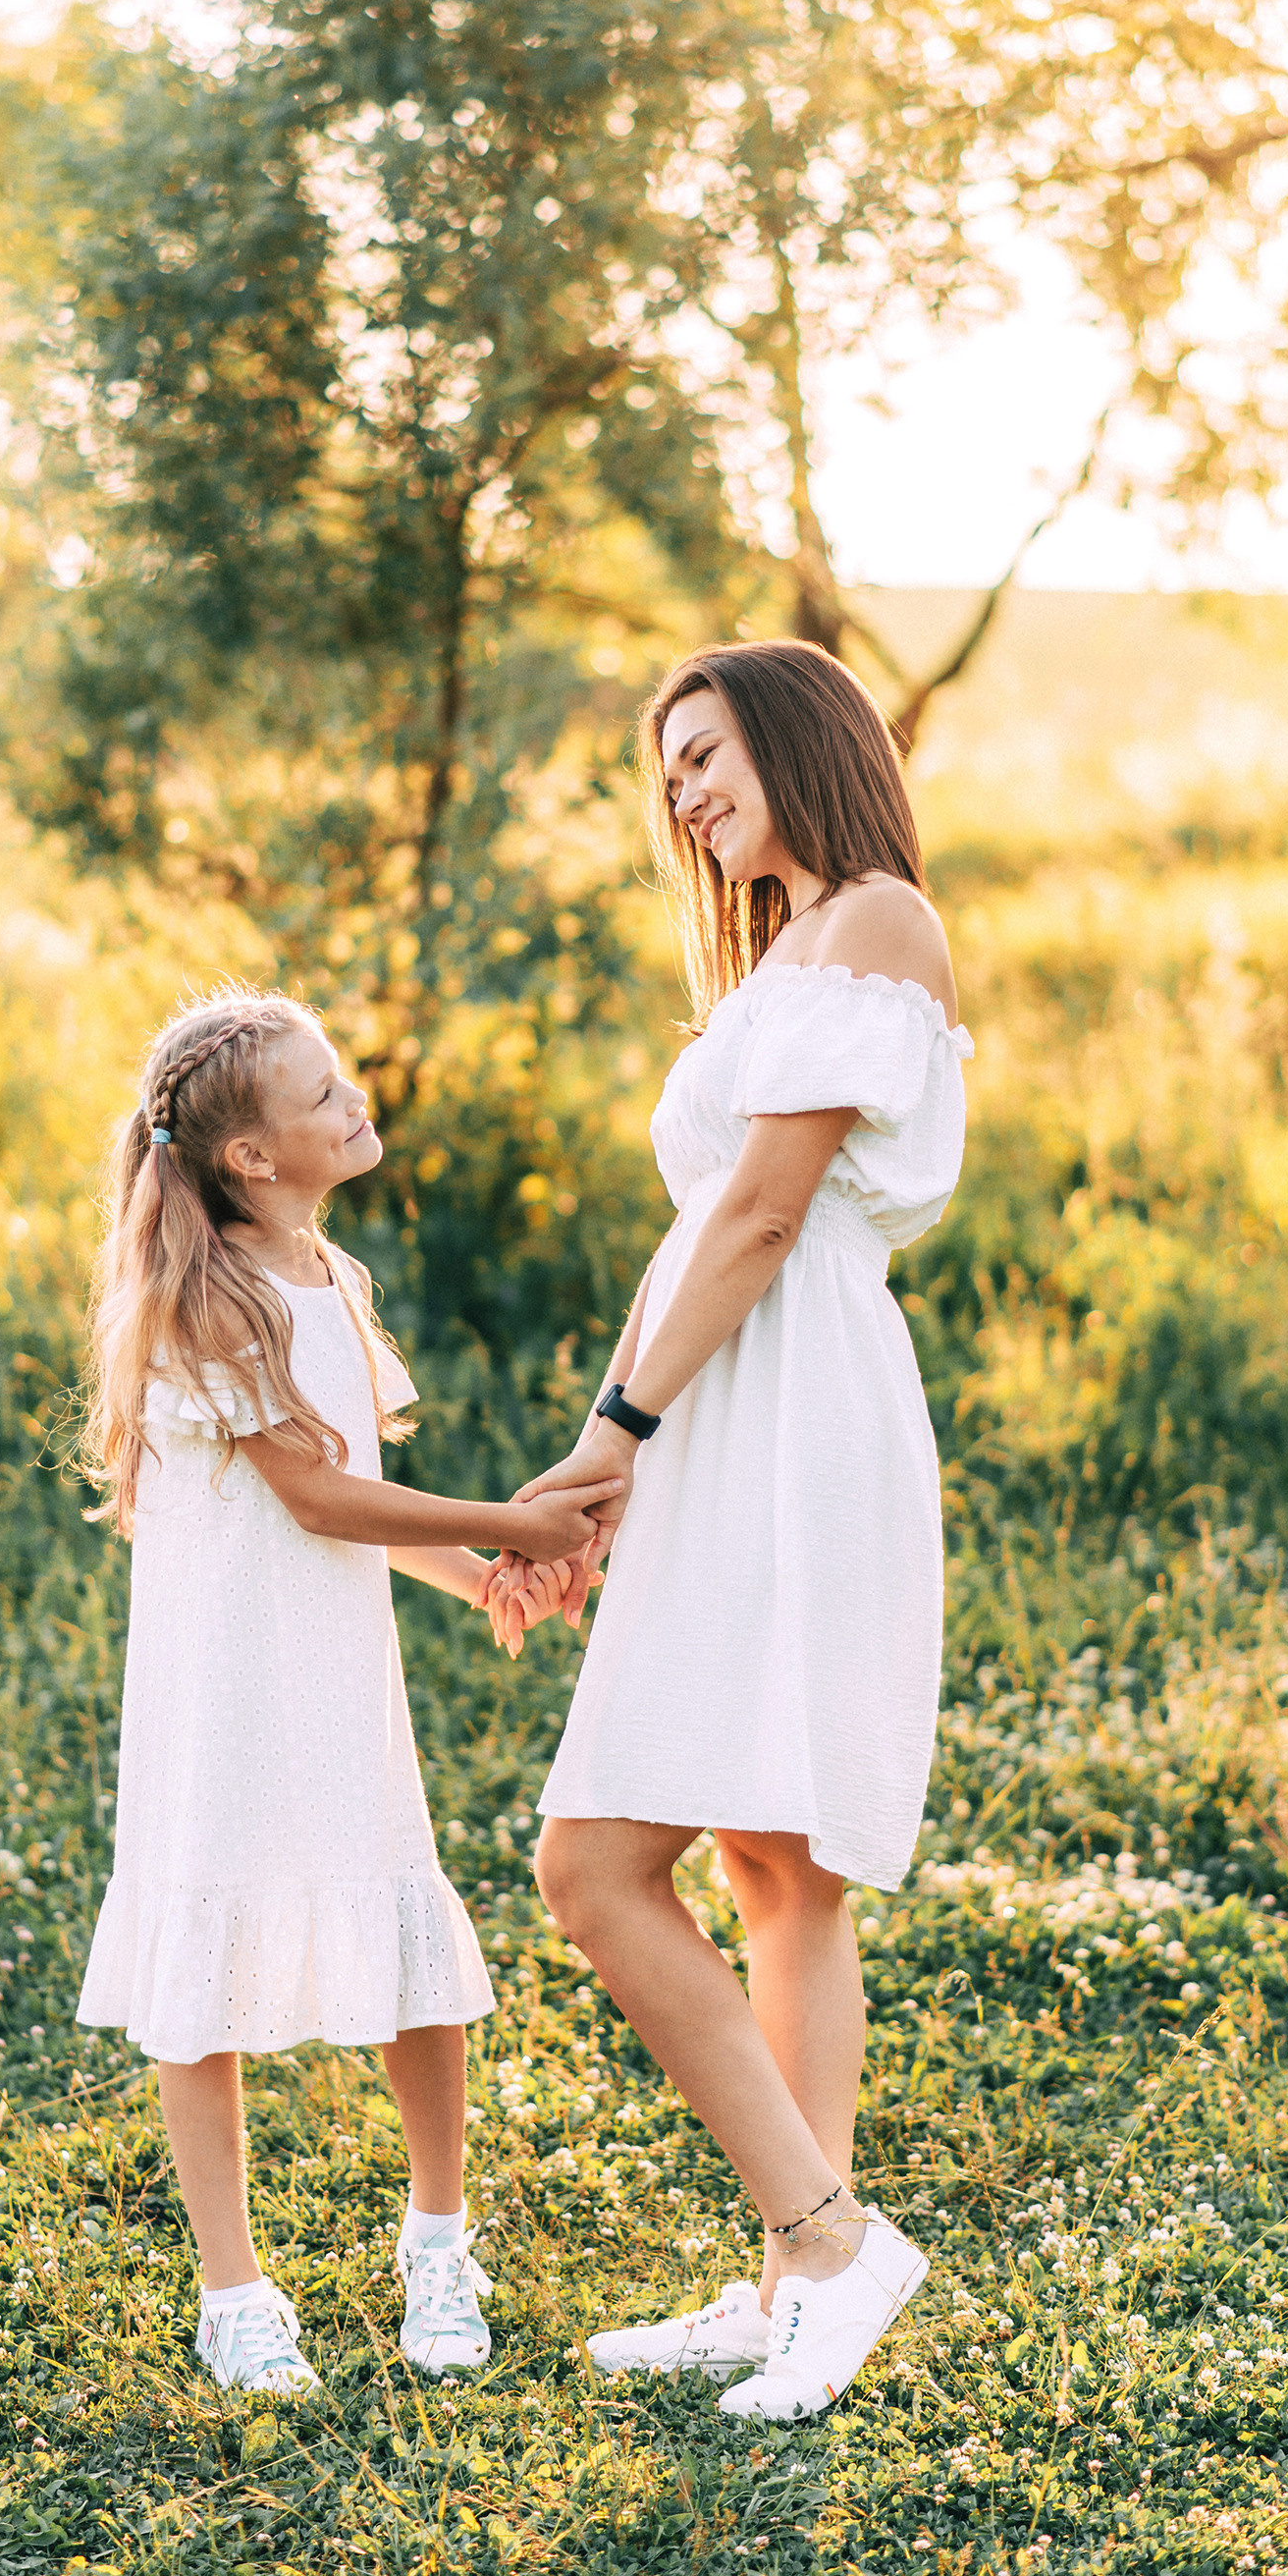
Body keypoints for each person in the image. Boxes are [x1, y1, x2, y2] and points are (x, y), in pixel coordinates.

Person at [502, 637, 974, 2423]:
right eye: (668, 771)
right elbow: (703, 1236)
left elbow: (766, 1217)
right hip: (728, 1417)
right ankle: (796, 2272)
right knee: (769, 1866)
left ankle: (830, 2242)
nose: (685, 792)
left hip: (799, 1416)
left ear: (796, 738)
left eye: (705, 752)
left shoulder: (874, 923)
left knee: (604, 1864)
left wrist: (620, 1429)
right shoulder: (787, 949)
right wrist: (611, 1461)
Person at [75, 989, 615, 2395]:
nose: (352, 1100)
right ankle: (232, 2289)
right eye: (322, 1093)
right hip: (224, 1684)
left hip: (333, 1673)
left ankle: (439, 2236)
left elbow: (360, 1504)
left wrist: (486, 1567)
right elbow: (315, 1495)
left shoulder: (329, 1274)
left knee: (401, 1929)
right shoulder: (210, 1298)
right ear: (251, 1156)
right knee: (207, 1973)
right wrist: (520, 1511)